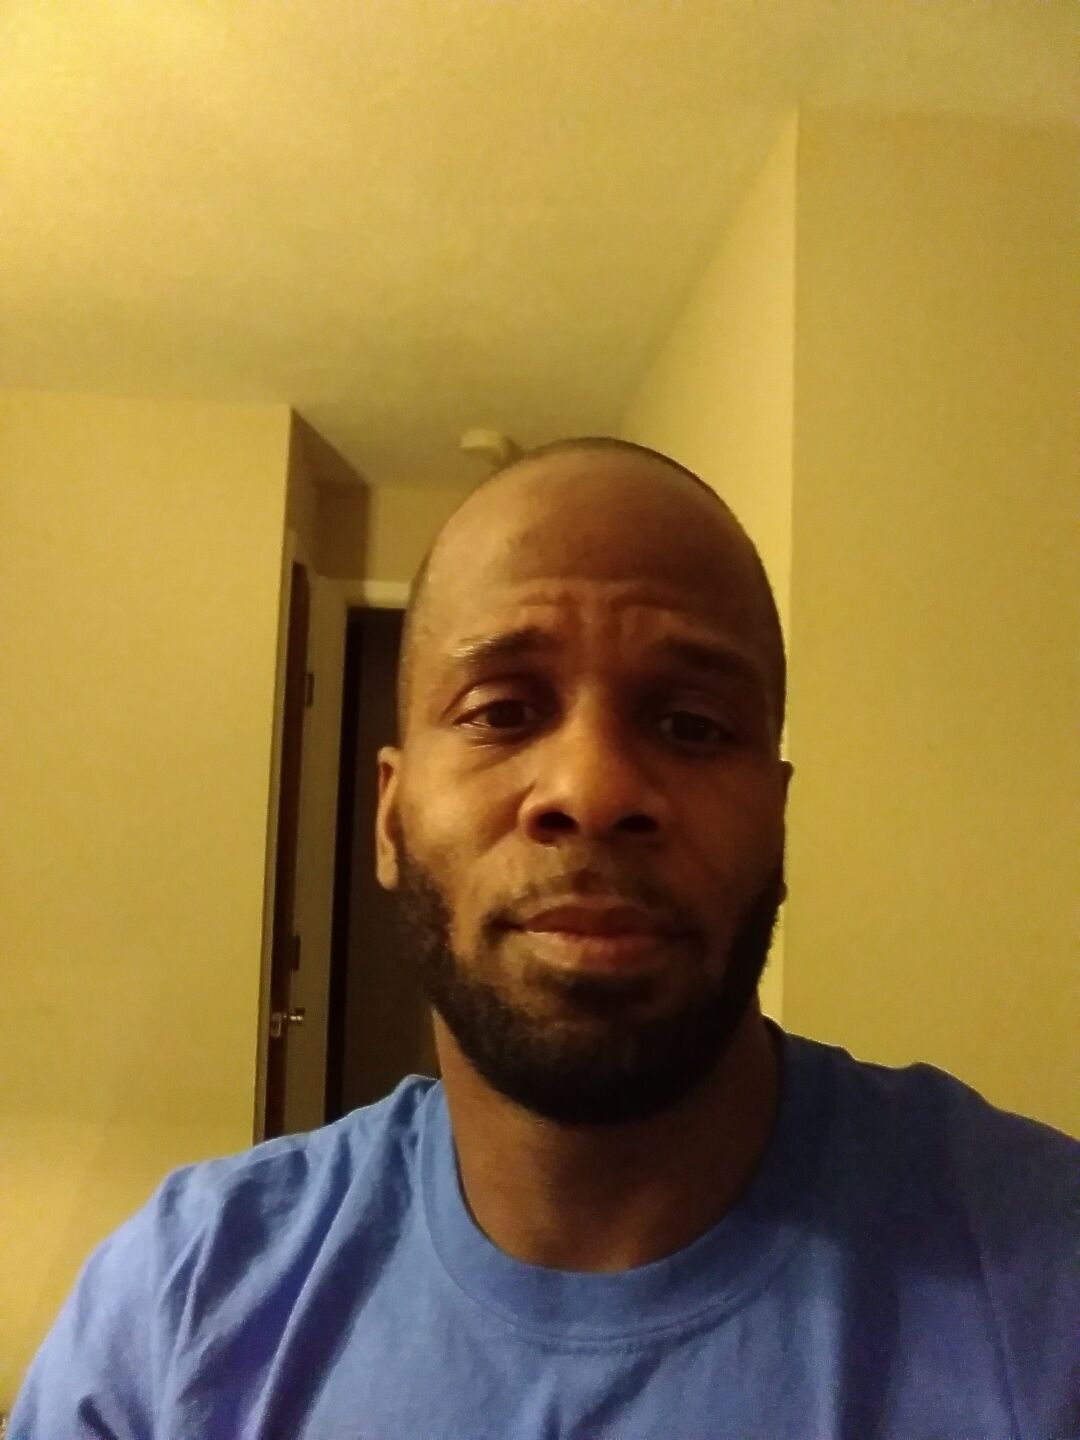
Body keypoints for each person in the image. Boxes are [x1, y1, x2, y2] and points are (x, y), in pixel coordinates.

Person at [12, 438, 1077, 1439]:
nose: (593, 788)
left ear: (779, 820)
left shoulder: (1044, 1275)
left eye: (692, 724)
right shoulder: (177, 1306)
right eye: (502, 710)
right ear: (391, 818)